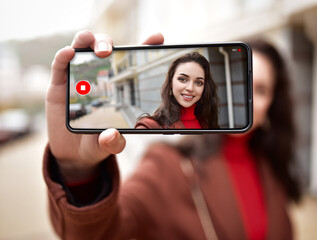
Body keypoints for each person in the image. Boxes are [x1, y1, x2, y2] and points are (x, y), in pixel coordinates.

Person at [44, 30, 301, 240]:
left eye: (262, 89)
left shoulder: (271, 165)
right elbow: (102, 232)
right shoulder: (166, 164)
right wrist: (77, 170)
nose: (249, 98)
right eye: (183, 79)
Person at [135, 52, 220, 129]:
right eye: (183, 79)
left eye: (198, 82)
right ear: (171, 82)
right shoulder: (150, 127)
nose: (190, 88)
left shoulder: (208, 123)